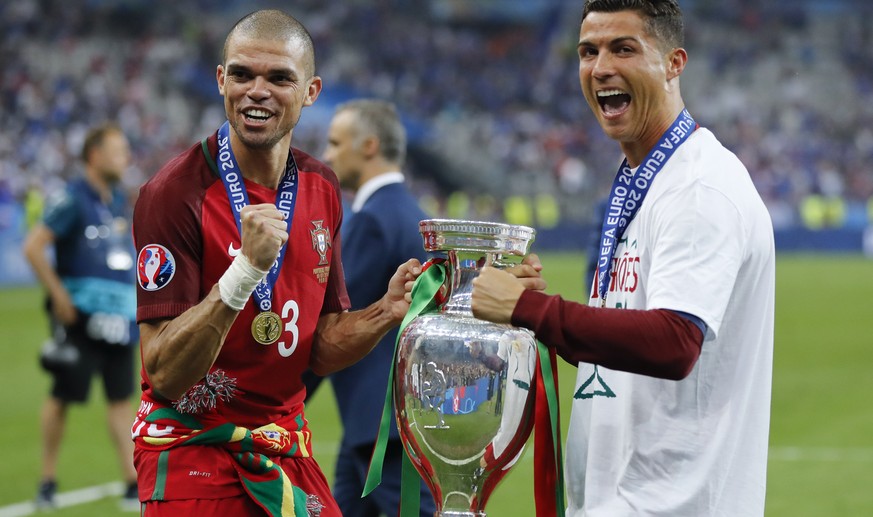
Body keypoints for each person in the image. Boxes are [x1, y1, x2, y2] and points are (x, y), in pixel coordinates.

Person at [470, 1, 776, 515]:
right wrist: (532, 315)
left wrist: (530, 311)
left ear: (674, 63)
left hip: (675, 503)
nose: (601, 67)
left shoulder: (699, 187)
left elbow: (674, 344)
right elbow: (623, 351)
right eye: (588, 51)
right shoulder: (641, 179)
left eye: (624, 48)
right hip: (622, 496)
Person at [130, 10, 421, 517]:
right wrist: (244, 271)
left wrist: (387, 311)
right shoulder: (173, 195)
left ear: (310, 91)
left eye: (280, 78)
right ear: (221, 80)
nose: (256, 91)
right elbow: (165, 373)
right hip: (193, 448)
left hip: (284, 443)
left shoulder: (322, 186)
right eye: (242, 74)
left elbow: (321, 346)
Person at [302, 99, 436, 516]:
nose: (326, 155)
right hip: (389, 417)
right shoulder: (411, 215)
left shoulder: (374, 219)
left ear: (369, 146)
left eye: (335, 142)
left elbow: (334, 325)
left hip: (382, 424)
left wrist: (277, 398)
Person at [23, 122, 140, 511]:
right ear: (95, 155)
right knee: (62, 397)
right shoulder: (72, 198)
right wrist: (58, 295)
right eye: (118, 149)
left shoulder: (118, 201)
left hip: (120, 318)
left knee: (121, 400)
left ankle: (130, 482)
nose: (126, 156)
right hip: (81, 316)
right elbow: (34, 247)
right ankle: (47, 481)